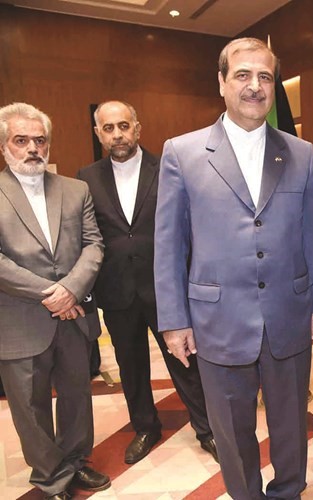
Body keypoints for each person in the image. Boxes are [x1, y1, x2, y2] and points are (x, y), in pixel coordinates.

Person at [153, 37, 313, 499]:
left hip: (288, 314)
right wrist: (173, 320)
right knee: (231, 432)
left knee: (291, 425)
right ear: (221, 82)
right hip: (218, 320)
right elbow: (169, 244)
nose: (255, 86)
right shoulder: (182, 152)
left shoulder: (301, 153)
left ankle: (288, 492)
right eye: (243, 75)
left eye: (265, 77)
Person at [77, 101, 216, 464]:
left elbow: (188, 226)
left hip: (165, 288)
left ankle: (208, 429)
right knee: (131, 365)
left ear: (137, 128)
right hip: (117, 290)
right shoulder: (86, 178)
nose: (117, 134)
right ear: (98, 133)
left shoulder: (168, 166)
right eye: (109, 128)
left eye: (124, 126)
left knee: (185, 361)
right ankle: (145, 427)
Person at [0, 102, 109, 499]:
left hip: (74, 315)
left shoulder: (75, 189)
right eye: (21, 140)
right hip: (20, 318)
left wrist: (72, 289)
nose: (33, 148)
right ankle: (50, 476)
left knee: (77, 395)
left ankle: (76, 462)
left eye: (40, 140)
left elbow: (94, 244)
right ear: (4, 146)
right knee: (29, 406)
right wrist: (52, 294)